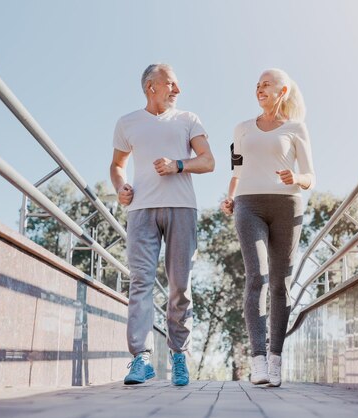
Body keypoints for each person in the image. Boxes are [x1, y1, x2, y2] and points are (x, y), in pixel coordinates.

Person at [110, 63, 215, 386]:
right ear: (151, 86)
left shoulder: (188, 120)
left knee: (179, 286)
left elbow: (208, 161)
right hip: (140, 211)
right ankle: (139, 358)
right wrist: (120, 187)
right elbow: (117, 165)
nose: (177, 90)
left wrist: (178, 165)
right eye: (171, 84)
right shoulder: (127, 123)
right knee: (140, 281)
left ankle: (179, 354)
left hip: (182, 208)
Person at [220, 68, 315, 387]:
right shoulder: (242, 128)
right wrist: (230, 197)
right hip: (248, 204)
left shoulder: (296, 128)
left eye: (266, 85)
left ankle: (276, 358)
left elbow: (310, 176)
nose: (259, 89)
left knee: (280, 283)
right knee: (256, 277)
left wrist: (296, 178)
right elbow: (236, 169)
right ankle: (258, 359)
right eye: (257, 85)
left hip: (287, 205)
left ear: (282, 91)